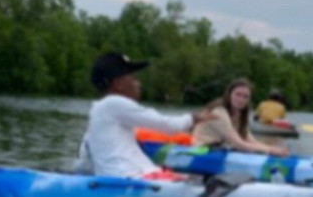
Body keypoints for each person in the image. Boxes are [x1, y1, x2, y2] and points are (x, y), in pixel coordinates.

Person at [74, 51, 211, 179]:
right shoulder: (114, 103)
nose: (138, 83)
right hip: (129, 176)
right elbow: (166, 125)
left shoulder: (100, 109)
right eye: (134, 78)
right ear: (118, 84)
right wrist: (192, 119)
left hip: (123, 175)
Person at [193, 79, 288, 156]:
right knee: (244, 149)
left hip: (217, 148)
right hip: (202, 151)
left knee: (254, 151)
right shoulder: (218, 112)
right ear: (229, 94)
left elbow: (249, 140)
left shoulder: (239, 114)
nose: (241, 100)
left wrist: (272, 149)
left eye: (245, 97)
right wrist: (270, 150)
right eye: (238, 94)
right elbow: (238, 143)